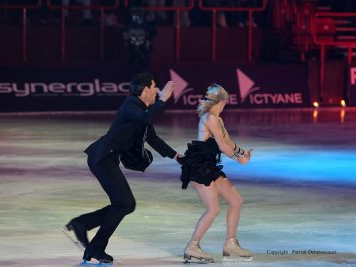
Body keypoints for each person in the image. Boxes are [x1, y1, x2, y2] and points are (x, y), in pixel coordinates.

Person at [64, 73, 181, 265]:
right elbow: (145, 119)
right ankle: (94, 247)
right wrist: (164, 99)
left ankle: (83, 225)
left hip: (107, 159)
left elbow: (153, 138)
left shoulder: (141, 110)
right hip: (102, 159)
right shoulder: (131, 105)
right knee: (125, 203)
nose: (157, 92)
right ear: (145, 90)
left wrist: (177, 156)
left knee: (125, 204)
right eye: (154, 88)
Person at [179, 84, 252, 263]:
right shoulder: (210, 118)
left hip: (209, 165)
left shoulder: (218, 119)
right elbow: (223, 147)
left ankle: (231, 243)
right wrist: (239, 159)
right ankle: (192, 247)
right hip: (199, 167)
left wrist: (242, 153)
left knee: (236, 201)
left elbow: (228, 141)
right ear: (223, 101)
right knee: (213, 209)